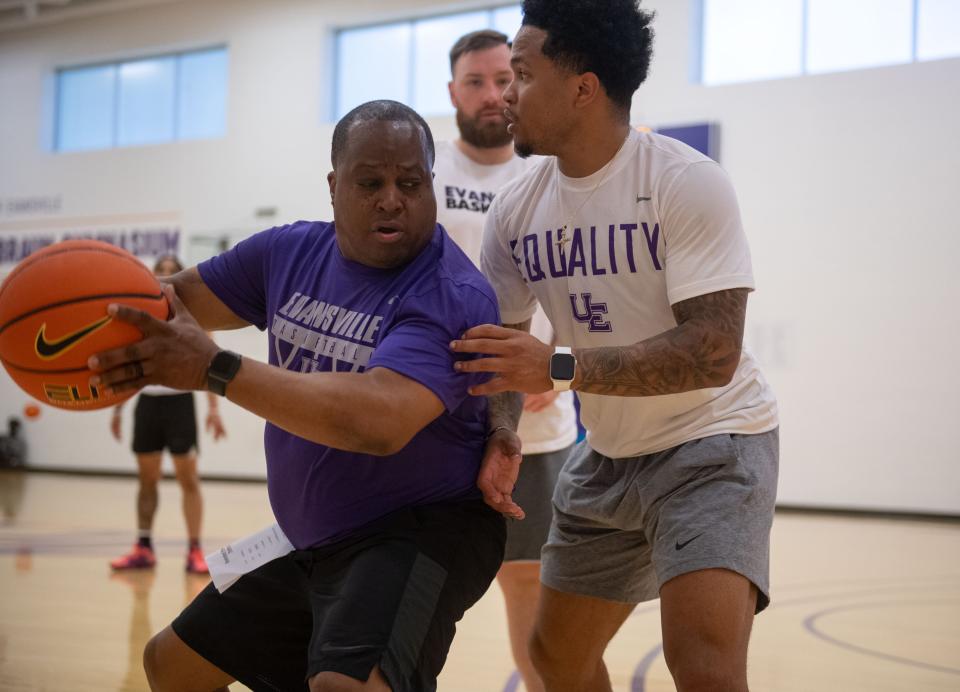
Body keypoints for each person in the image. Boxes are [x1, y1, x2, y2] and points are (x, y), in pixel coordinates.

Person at [88, 100, 506, 692]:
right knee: (170, 664)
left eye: (411, 183)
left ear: (431, 185)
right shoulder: (287, 254)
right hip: (309, 536)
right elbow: (168, 304)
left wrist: (216, 369)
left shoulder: (452, 293)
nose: (392, 198)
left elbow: (379, 420)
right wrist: (86, 320)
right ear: (334, 186)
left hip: (418, 532)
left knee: (344, 687)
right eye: (371, 182)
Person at [450, 2, 780, 691]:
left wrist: (560, 368)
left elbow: (713, 351)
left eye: (522, 75)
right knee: (556, 658)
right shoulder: (514, 211)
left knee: (705, 668)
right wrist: (504, 430)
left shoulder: (683, 181)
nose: (507, 94)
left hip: (713, 445)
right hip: (607, 456)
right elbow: (508, 352)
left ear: (582, 87)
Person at [434, 29, 576, 692]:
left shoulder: (556, 169)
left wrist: (559, 363)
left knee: (530, 585)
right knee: (422, 582)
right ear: (452, 92)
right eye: (475, 82)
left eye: (502, 79)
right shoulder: (422, 176)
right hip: (436, 418)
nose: (492, 95)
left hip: (536, 426)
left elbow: (593, 287)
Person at [109, 255, 227, 575]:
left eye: (169, 271)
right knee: (147, 480)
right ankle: (143, 547)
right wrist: (119, 408)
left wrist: (214, 411)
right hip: (147, 402)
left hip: (180, 404)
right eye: (158, 271)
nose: (163, 276)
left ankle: (195, 551)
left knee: (188, 480)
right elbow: (127, 362)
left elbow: (212, 360)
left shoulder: (192, 317)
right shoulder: (140, 317)